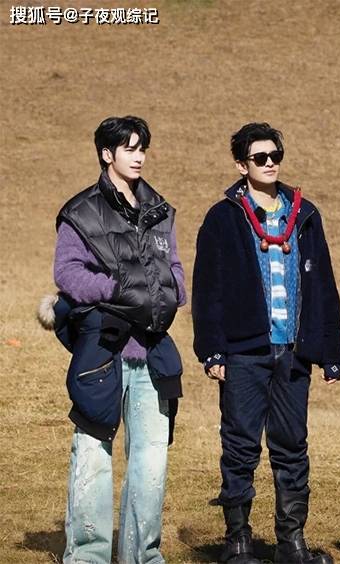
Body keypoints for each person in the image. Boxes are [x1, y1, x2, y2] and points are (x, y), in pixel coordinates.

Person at [192, 122, 340, 564]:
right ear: (241, 165)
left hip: (294, 351)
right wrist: (212, 350)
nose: (270, 163)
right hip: (245, 352)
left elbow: (323, 285)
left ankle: (291, 543)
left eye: (275, 155)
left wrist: (330, 351)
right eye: (259, 157)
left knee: (292, 446)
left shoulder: (305, 214)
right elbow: (208, 289)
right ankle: (238, 542)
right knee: (240, 445)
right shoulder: (223, 218)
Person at [50, 115, 186, 563]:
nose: (139, 156)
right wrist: (116, 290)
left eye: (142, 147)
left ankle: (142, 556)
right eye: (129, 148)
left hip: (154, 351)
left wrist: (173, 292)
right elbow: (67, 272)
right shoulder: (81, 211)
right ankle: (87, 556)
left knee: (151, 461)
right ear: (107, 154)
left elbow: (175, 269)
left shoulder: (160, 209)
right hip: (103, 351)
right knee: (93, 456)